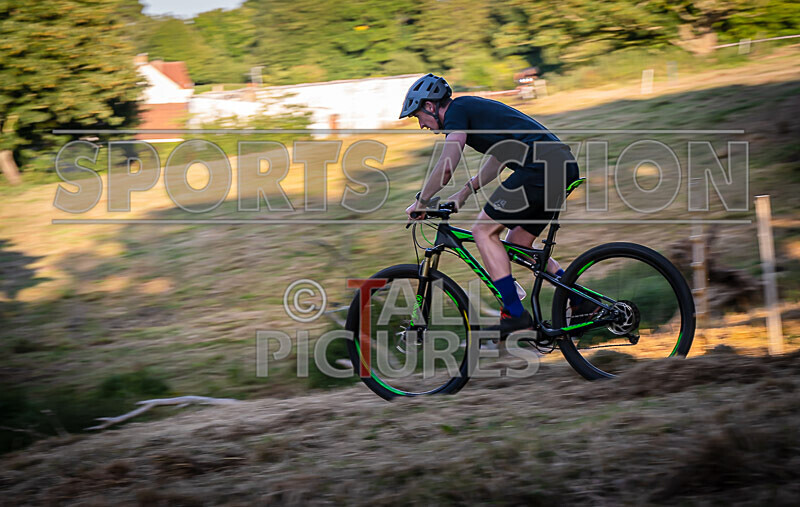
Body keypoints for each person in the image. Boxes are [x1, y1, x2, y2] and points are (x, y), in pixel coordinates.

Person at [401, 73, 580, 337]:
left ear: (430, 106)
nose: (422, 126)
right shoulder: (472, 111)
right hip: (558, 166)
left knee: (483, 231)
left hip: (541, 168)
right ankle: (579, 301)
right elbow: (500, 156)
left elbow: (447, 165)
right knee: (516, 245)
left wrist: (422, 200)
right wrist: (465, 192)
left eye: (418, 117)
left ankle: (515, 315)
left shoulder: (457, 111)